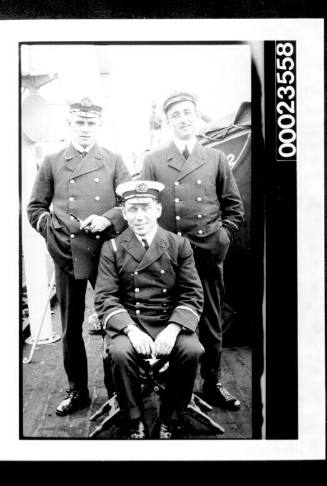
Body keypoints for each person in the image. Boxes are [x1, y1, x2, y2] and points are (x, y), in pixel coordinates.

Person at [27, 96, 131, 416]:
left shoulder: (114, 159)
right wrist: (52, 231)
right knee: (71, 328)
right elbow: (35, 208)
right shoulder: (53, 160)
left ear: (99, 125)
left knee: (113, 321)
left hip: (106, 254)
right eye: (79, 122)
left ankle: (117, 392)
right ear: (69, 124)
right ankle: (78, 391)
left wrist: (108, 219)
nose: (85, 129)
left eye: (91, 123)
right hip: (67, 254)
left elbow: (129, 203)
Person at [142, 90, 244, 410]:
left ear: (197, 115)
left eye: (188, 112)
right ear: (168, 121)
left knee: (212, 321)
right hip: (171, 256)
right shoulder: (153, 160)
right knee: (172, 318)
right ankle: (175, 381)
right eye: (176, 115)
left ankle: (212, 383)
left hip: (208, 252)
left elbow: (234, 207)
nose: (183, 119)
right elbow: (145, 208)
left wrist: (222, 237)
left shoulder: (214, 158)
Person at [94, 180, 204, 439]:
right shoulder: (111, 248)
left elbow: (192, 293)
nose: (139, 216)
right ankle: (133, 419)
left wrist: (173, 329)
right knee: (119, 353)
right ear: (123, 213)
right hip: (130, 321)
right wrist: (131, 330)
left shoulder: (178, 245)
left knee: (191, 349)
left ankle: (172, 416)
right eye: (132, 209)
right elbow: (105, 297)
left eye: (145, 208)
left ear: (158, 209)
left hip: (169, 319)